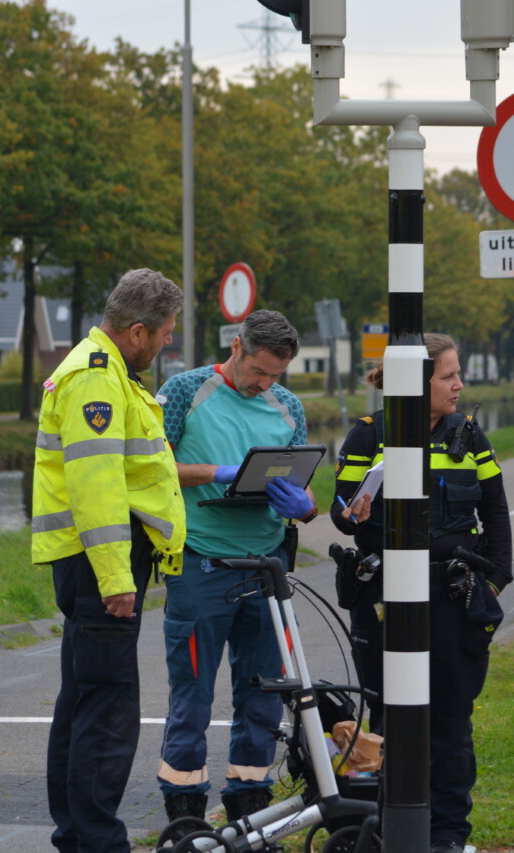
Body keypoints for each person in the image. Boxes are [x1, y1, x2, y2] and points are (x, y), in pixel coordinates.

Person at [330, 332, 512, 853]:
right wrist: (352, 512)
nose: (460, 385)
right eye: (448, 376)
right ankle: (392, 828)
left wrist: (494, 581)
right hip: (385, 600)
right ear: (415, 383)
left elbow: (496, 512)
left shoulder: (470, 435)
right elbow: (343, 515)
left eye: (458, 374)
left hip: (454, 599)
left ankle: (448, 836)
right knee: (388, 718)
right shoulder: (368, 436)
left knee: (452, 719)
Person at [32, 268, 187, 853]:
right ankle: (98, 842)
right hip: (102, 566)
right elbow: (96, 490)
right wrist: (117, 579)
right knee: (109, 710)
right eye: (165, 333)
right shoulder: (97, 381)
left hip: (93, 563)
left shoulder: (106, 371)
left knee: (83, 700)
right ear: (138, 330)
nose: (167, 343)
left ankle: (76, 835)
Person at [154, 309, 318, 825]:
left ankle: (250, 809)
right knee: (193, 694)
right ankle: (185, 813)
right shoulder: (185, 391)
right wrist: (218, 472)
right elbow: (150, 468)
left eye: (275, 375)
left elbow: (303, 481)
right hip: (202, 562)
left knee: (264, 693)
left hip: (266, 566)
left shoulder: (287, 406)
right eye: (259, 372)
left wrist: (304, 505)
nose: (265, 383)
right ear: (236, 348)